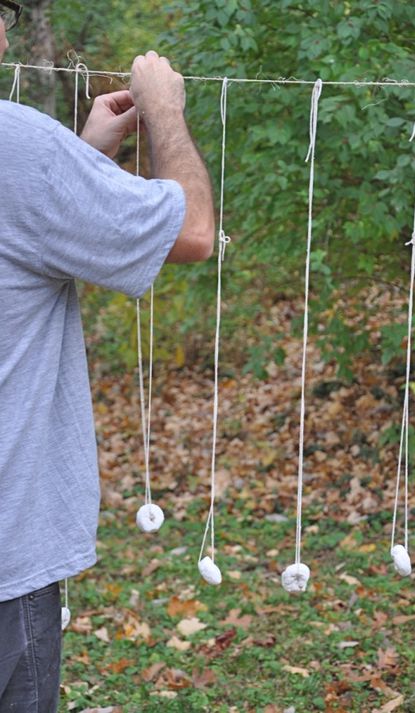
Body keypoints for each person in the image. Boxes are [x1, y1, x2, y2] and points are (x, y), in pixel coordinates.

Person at [0, 1, 215, 710]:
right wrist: (165, 112)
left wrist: (83, 157)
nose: (5, 31)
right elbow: (192, 232)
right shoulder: (19, 147)